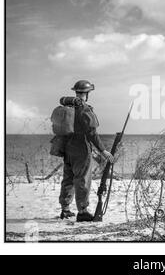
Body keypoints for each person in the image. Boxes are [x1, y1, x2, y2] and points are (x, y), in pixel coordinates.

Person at [59, 80, 114, 222]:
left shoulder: (69, 106)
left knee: (68, 179)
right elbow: (91, 132)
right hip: (81, 149)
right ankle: (82, 211)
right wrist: (103, 150)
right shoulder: (84, 108)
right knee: (83, 179)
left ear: (76, 92)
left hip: (67, 147)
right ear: (87, 93)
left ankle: (65, 209)